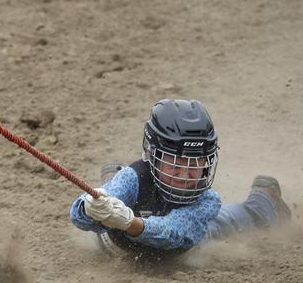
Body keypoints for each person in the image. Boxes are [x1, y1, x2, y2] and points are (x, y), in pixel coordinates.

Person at [70, 99, 292, 260]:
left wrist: (129, 222)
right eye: (176, 162)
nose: (186, 174)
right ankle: (111, 180)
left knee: (228, 221)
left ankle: (263, 203)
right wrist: (89, 207)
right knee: (113, 191)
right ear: (152, 155)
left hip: (187, 249)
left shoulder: (207, 201)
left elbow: (174, 233)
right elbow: (80, 219)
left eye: (196, 163)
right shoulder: (134, 176)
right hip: (118, 246)